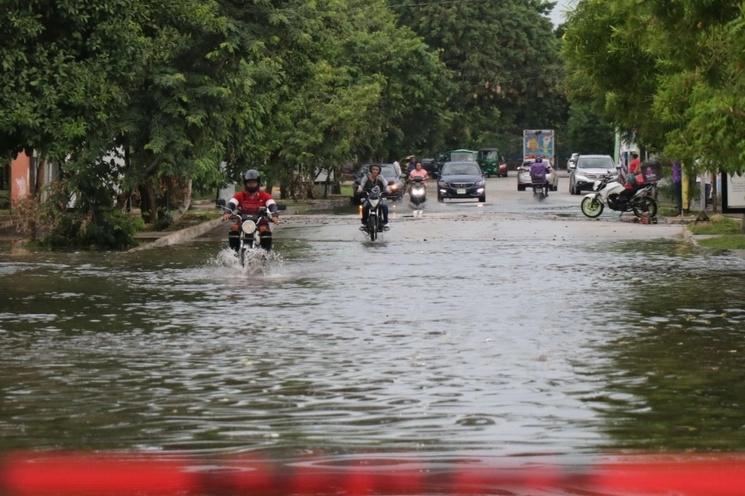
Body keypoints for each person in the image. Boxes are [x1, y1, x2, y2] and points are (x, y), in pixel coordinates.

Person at [223, 170, 279, 250]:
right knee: (234, 230)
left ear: (258, 183)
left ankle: (265, 255)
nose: (251, 184)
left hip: (260, 223)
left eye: (254, 182)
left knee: (266, 232)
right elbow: (231, 204)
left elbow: (272, 205)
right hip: (242, 223)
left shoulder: (265, 196)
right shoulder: (239, 195)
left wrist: (275, 215)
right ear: (245, 183)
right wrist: (227, 212)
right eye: (249, 182)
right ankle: (233, 254)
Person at [358, 163, 390, 229]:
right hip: (369, 198)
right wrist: (360, 189)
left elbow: (386, 185)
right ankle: (364, 222)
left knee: (384, 206)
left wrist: (388, 190)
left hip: (379, 197)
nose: (375, 171)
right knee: (365, 207)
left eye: (377, 169)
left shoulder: (381, 177)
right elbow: (361, 185)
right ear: (371, 170)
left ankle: (385, 222)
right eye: (373, 169)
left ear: (379, 171)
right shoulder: (366, 177)